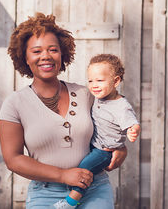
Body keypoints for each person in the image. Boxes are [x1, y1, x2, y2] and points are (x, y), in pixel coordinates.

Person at [0, 13, 128, 208]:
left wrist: (121, 150)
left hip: (94, 189)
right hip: (45, 194)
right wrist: (62, 175)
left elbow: (112, 128)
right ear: (24, 56)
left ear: (62, 54)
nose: (46, 56)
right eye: (36, 51)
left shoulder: (86, 94)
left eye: (53, 50)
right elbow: (13, 160)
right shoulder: (14, 104)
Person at [53, 54, 141, 209]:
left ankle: (71, 202)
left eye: (100, 80)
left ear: (116, 81)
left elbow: (132, 123)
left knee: (85, 168)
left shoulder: (121, 106)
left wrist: (133, 131)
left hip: (104, 151)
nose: (94, 85)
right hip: (94, 145)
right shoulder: (97, 98)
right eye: (91, 80)